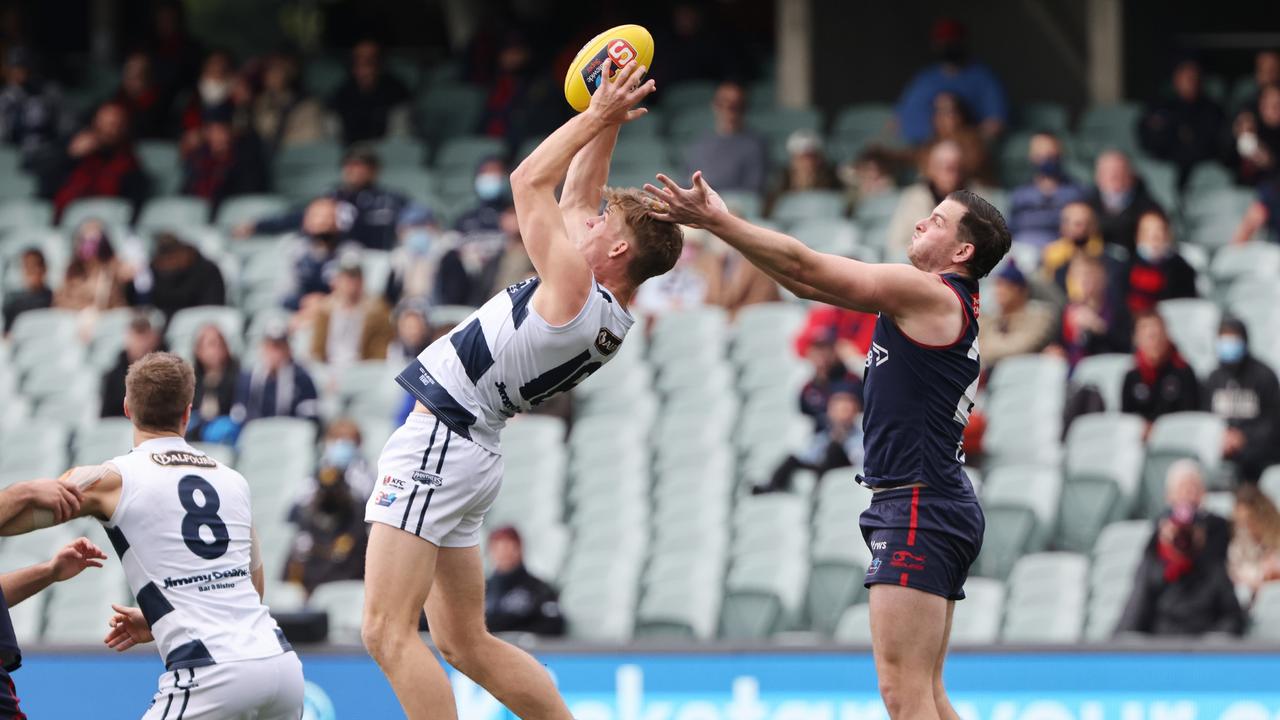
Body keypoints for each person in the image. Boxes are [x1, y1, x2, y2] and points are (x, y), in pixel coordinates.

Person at [360, 61, 678, 720]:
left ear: (616, 253)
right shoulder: (605, 306)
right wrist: (608, 115)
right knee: (463, 641)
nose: (585, 225)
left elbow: (528, 180)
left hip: (440, 443)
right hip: (469, 448)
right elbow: (579, 199)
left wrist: (594, 118)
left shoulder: (574, 289)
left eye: (600, 228)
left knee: (385, 633)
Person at [646, 162, 1011, 719]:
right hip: (929, 499)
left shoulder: (928, 294)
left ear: (961, 252)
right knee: (927, 691)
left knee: (903, 692)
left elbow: (803, 264)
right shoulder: (938, 303)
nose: (918, 225)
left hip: (918, 503)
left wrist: (718, 221)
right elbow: (801, 281)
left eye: (936, 222)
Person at [0, 351, 305, 717]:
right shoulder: (233, 480)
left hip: (212, 672)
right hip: (281, 665)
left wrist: (20, 492)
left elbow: (16, 517)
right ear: (188, 412)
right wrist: (163, 619)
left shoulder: (109, 479)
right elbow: (252, 589)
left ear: (127, 407)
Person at [1115, 460, 1243, 637]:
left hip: (1204, 634)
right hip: (1163, 637)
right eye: (1183, 488)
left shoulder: (1218, 530)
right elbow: (1138, 605)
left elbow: (1231, 614)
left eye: (1194, 487)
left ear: (1203, 494)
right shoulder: (1157, 540)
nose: (1189, 494)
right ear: (1169, 496)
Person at [239, 145, 413, 251]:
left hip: (378, 260)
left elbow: (417, 218)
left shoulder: (391, 199)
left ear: (374, 171)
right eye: (350, 165)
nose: (354, 171)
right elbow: (300, 217)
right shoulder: (332, 196)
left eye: (360, 165)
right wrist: (259, 225)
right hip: (336, 261)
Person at [284, 419, 373, 595]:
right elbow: (294, 512)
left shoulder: (365, 475)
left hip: (350, 546)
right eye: (336, 440)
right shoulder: (317, 474)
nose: (341, 446)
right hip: (318, 545)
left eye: (347, 441)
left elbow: (366, 511)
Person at [895, 18, 1008, 145]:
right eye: (942, 42)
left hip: (965, 147)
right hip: (922, 147)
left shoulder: (984, 78)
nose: (946, 45)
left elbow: (996, 124)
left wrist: (962, 141)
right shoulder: (924, 78)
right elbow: (898, 120)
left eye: (952, 41)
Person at [1203, 317, 1280, 482]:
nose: (1228, 346)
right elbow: (1204, 419)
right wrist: (1221, 437)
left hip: (1259, 457)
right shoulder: (1213, 379)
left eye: (1233, 340)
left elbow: (1273, 421)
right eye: (1224, 339)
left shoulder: (1264, 376)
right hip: (1223, 453)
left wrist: (1244, 437)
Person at [754, 386, 864, 495]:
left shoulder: (861, 436)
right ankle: (773, 486)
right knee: (793, 458)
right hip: (822, 467)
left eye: (846, 410)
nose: (842, 415)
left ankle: (819, 492)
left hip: (845, 469)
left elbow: (859, 459)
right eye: (838, 410)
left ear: (854, 412)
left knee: (834, 449)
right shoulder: (824, 436)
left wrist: (841, 441)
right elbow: (809, 456)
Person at [48, 102, 149, 221]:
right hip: (67, 225)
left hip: (106, 226)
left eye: (114, 125)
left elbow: (129, 211)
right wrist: (69, 158)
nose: (107, 131)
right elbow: (47, 191)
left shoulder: (129, 166)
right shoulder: (73, 159)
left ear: (124, 129)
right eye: (102, 124)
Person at [1138, 57, 1226, 187]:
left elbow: (1213, 144)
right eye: (1185, 78)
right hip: (1166, 164)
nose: (1189, 83)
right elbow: (1148, 138)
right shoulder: (1162, 106)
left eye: (1193, 79)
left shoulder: (1212, 109)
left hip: (1200, 167)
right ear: (1176, 80)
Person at [885, 140, 970, 261]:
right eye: (946, 168)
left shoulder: (973, 199)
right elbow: (895, 243)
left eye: (956, 168)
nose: (953, 174)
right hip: (918, 267)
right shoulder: (913, 197)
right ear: (932, 169)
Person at [435, 204, 533, 308]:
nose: (511, 221)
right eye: (509, 215)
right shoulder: (497, 258)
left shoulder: (534, 257)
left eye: (515, 215)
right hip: (494, 308)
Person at [179, 105, 269, 215]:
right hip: (198, 217)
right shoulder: (199, 158)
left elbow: (248, 194)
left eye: (220, 130)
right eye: (210, 130)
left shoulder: (246, 158)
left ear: (231, 132)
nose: (215, 136)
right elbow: (185, 192)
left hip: (235, 216)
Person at [1120, 312, 1200, 435]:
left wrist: (1160, 430)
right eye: (1149, 337)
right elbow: (1126, 420)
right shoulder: (1131, 376)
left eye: (1158, 335)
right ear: (1137, 339)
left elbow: (1190, 417)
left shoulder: (1183, 372)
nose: (1155, 342)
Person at [684, 82, 768, 195]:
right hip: (698, 205)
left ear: (744, 108)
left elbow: (753, 190)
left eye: (736, 105)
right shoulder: (699, 144)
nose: (728, 109)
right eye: (722, 103)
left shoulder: (755, 146)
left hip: (733, 208)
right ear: (714, 105)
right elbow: (685, 183)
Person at [231, 323, 320, 430]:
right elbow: (239, 412)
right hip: (256, 433)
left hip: (288, 434)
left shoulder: (302, 378)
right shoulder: (249, 377)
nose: (274, 353)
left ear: (288, 349)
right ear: (262, 348)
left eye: (279, 347)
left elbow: (309, 416)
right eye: (270, 347)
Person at [309, 259, 394, 367]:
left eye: (355, 279)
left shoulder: (377, 311)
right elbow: (317, 349)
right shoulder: (325, 310)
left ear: (362, 282)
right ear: (337, 281)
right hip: (329, 367)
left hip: (362, 369)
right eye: (346, 279)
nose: (351, 284)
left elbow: (380, 351)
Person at [484, 526, 566, 636]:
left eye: (508, 547)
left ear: (519, 549)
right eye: (497, 548)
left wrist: (516, 635)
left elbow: (554, 624)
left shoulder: (539, 589)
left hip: (528, 651)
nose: (503, 553)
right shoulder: (481, 590)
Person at [1051, 254, 1130, 367]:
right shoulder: (1067, 310)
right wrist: (1055, 351)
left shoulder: (1118, 308)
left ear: (1102, 277)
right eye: (1077, 275)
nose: (1083, 280)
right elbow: (1059, 345)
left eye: (1088, 274)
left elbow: (1125, 348)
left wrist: (1099, 328)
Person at [1008, 133, 1085, 248]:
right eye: (1040, 155)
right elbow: (1008, 230)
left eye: (1050, 155)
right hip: (1022, 250)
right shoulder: (1019, 194)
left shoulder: (1076, 192)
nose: (1046, 160)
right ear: (1031, 157)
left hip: (1063, 251)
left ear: (1060, 154)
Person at [329, 40, 410, 146]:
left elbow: (399, 138)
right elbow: (334, 138)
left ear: (379, 64)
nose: (364, 70)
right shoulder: (342, 93)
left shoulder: (397, 91)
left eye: (369, 62)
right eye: (359, 61)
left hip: (385, 154)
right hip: (350, 154)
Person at [130, 232, 227, 320]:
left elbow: (212, 310)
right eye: (165, 258)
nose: (169, 263)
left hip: (198, 326)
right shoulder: (152, 271)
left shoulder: (207, 271)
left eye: (172, 256)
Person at [244, 51, 326, 153]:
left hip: (297, 155)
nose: (273, 77)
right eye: (269, 71)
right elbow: (260, 130)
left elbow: (311, 135)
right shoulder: (259, 102)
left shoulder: (308, 104)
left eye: (279, 71)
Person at [0, 46, 67, 170]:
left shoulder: (50, 92)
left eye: (22, 69)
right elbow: (3, 136)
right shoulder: (5, 97)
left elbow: (65, 127)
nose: (18, 74)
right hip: (13, 155)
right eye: (14, 69)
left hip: (47, 152)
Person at [977, 261, 1055, 368]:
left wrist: (986, 347)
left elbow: (1021, 347)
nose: (999, 291)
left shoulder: (1039, 315)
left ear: (1020, 290)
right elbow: (974, 346)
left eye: (1006, 286)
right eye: (998, 285)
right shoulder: (989, 317)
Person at [1086, 151, 1162, 256]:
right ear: (1097, 176)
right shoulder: (1084, 205)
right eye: (1107, 171)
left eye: (1119, 171)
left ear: (1131, 175)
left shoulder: (1150, 210)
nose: (1113, 176)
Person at [1125, 210, 1197, 314]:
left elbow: (1185, 306)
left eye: (1159, 231)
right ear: (1137, 236)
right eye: (1147, 232)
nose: (1154, 237)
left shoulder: (1182, 269)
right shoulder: (1125, 268)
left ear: (1168, 235)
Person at [54, 219, 130, 313]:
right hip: (74, 320)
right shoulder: (71, 271)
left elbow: (116, 302)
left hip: (107, 319)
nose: (88, 241)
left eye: (94, 238)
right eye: (84, 238)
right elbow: (60, 302)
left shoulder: (113, 268)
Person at [101, 314, 164, 419]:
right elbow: (106, 415)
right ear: (128, 338)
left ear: (154, 339)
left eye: (145, 337)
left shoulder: (166, 372)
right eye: (136, 337)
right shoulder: (113, 376)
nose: (141, 344)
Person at [1229, 484, 1280, 608]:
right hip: (1253, 599)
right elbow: (1235, 570)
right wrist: (1260, 575)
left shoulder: (1276, 533)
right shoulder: (1238, 537)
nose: (1246, 526)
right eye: (1241, 521)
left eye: (1250, 518)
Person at [187, 324, 240, 443]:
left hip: (224, 428)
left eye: (220, 344)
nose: (216, 349)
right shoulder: (190, 380)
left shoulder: (238, 377)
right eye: (211, 344)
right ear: (199, 351)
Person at [926, 92, 991, 184]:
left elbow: (970, 168)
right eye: (939, 111)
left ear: (960, 115)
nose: (943, 117)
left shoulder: (972, 139)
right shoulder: (932, 141)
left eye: (949, 111)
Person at [768, 129, 839, 212]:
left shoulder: (834, 183)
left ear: (820, 159)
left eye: (810, 157)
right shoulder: (779, 186)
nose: (805, 163)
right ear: (792, 160)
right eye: (800, 157)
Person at [1040, 202, 1106, 284]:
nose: (1083, 229)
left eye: (1088, 223)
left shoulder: (1102, 252)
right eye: (1078, 224)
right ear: (1064, 227)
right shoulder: (1053, 253)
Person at [1229, 83, 1280, 185]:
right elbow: (1226, 158)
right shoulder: (1250, 125)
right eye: (1270, 105)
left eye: (1278, 105)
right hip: (1243, 188)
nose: (1275, 110)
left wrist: (1270, 162)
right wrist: (1236, 134)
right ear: (1261, 105)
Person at [113, 52, 169, 140]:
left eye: (136, 77)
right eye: (127, 75)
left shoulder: (159, 106)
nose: (129, 81)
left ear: (148, 79)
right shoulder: (118, 96)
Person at [453, 157, 513, 236]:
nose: (490, 177)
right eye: (485, 172)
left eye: (495, 172)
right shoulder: (466, 219)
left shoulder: (516, 215)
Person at [2, 248, 52, 333]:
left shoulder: (55, 298)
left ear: (44, 268)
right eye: (27, 266)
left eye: (36, 265)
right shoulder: (12, 300)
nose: (31, 271)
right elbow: (7, 334)